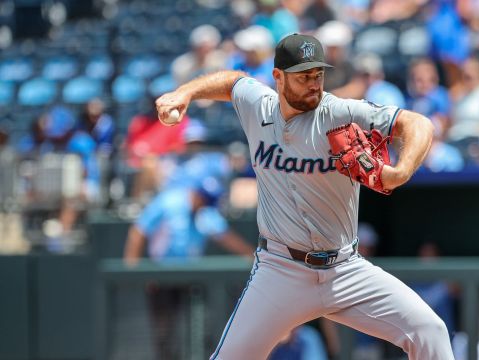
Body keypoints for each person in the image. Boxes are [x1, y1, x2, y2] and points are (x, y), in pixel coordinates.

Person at [156, 33, 454, 359]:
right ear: (278, 77)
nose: (314, 84)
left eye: (318, 74)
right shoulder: (259, 106)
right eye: (303, 76)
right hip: (280, 271)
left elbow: (417, 123)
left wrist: (401, 170)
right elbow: (232, 82)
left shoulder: (338, 113)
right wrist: (184, 92)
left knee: (430, 330)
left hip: (345, 270)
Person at [124, 182, 254, 360]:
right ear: (196, 194)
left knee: (198, 329)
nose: (205, 204)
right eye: (204, 199)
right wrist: (132, 268)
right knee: (164, 332)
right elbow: (139, 230)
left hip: (191, 277)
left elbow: (226, 237)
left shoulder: (206, 212)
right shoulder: (169, 201)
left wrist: (252, 255)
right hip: (162, 276)